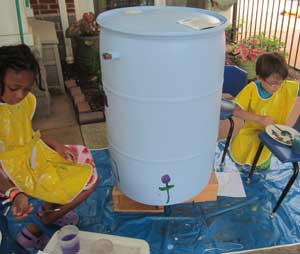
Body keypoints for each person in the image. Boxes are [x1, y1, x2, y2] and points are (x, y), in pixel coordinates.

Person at [0, 44, 98, 249]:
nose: (20, 96)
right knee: (90, 181)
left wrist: (56, 144)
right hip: (12, 171)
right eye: (13, 88)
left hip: (33, 155)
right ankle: (33, 231)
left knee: (77, 157)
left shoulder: (23, 102)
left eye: (27, 89)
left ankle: (48, 210)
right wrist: (14, 194)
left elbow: (27, 133)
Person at [229, 52, 300, 169]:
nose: (276, 88)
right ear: (259, 78)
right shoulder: (252, 89)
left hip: (274, 136)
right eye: (272, 84)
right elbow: (235, 111)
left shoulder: (285, 86)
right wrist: (259, 118)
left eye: (280, 83)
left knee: (262, 165)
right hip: (251, 133)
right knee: (243, 160)